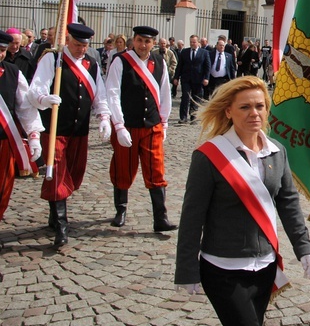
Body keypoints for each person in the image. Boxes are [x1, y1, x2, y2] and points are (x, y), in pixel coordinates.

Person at [175, 76, 310, 326]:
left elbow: (289, 203)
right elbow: (192, 217)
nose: (254, 113)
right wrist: (186, 268)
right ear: (228, 111)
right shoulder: (208, 156)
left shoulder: (277, 151)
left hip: (265, 266)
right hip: (223, 268)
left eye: (260, 106)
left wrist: (303, 247)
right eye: (245, 107)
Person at [28, 23, 111, 248]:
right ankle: (62, 226)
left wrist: (103, 116)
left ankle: (55, 211)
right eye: (76, 45)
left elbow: (99, 94)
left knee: (74, 173)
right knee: (56, 172)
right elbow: (35, 90)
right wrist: (44, 99)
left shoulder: (91, 64)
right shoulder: (52, 60)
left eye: (85, 46)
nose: (81, 49)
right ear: (68, 40)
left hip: (79, 131)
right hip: (56, 129)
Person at [105, 26, 175, 232]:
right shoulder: (121, 61)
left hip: (152, 125)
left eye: (147, 41)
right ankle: (121, 210)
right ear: (133, 41)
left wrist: (164, 122)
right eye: (139, 41)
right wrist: (118, 125)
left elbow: (164, 93)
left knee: (156, 169)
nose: (143, 45)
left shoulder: (159, 62)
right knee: (123, 168)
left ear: (153, 43)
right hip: (128, 125)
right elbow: (112, 93)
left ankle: (160, 217)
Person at [0, 30, 44, 221]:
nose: (0, 54)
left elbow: (25, 107)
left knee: (3, 188)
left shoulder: (13, 72)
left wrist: (34, 135)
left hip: (3, 141)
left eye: (2, 50)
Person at [173, 35, 210, 123]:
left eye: (194, 42)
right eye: (191, 42)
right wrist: (176, 77)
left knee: (196, 98)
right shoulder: (185, 52)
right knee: (185, 97)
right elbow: (180, 66)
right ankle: (183, 117)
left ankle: (193, 116)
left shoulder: (204, 53)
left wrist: (206, 78)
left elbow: (207, 67)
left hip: (198, 79)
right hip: (186, 78)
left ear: (198, 42)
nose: (192, 44)